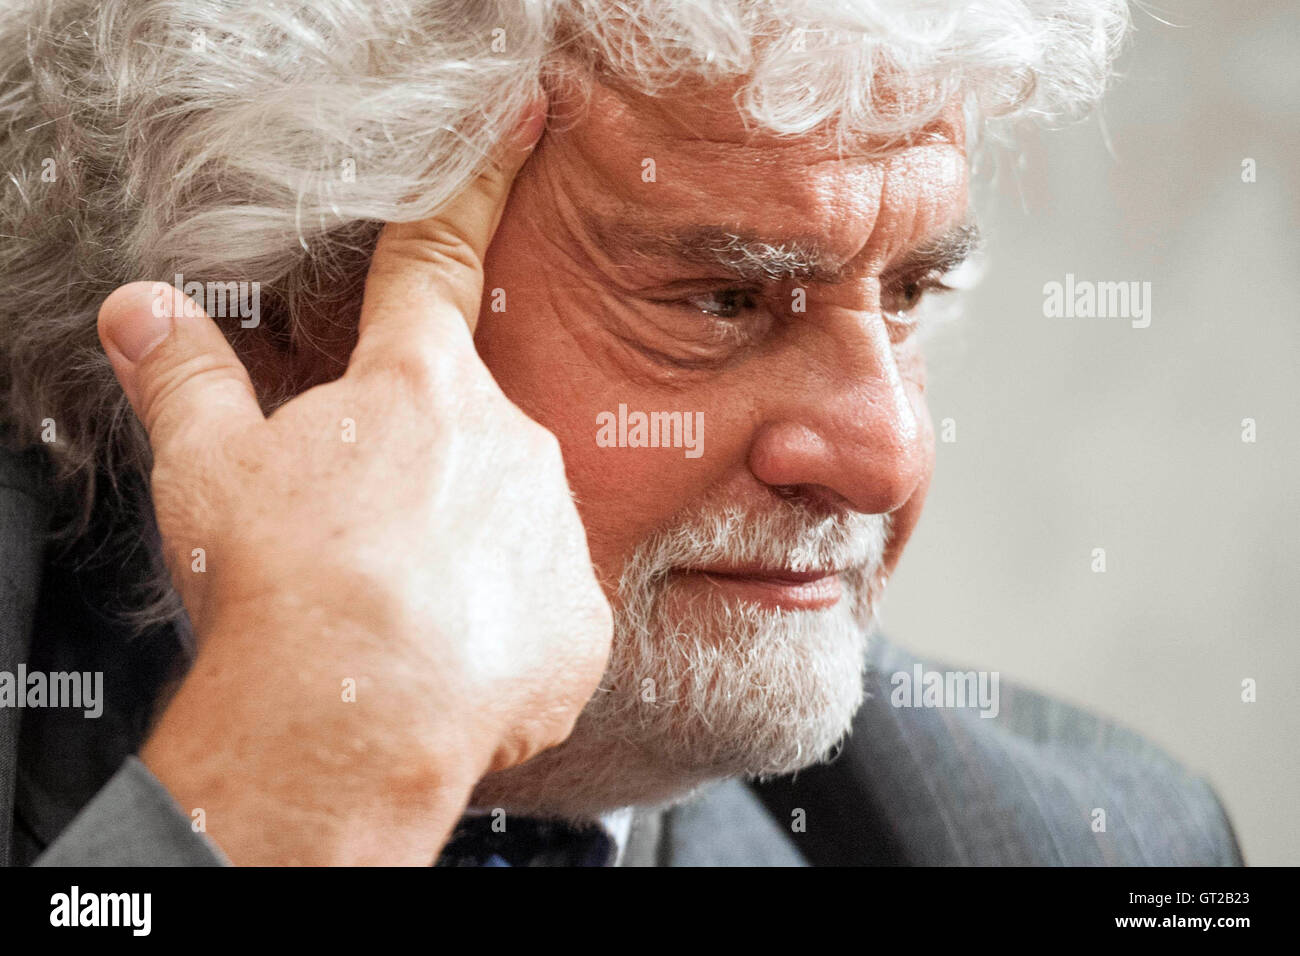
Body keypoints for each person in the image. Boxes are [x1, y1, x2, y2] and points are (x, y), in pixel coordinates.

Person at [0, 0, 1241, 866]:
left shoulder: (1088, 842)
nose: (889, 457)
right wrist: (308, 777)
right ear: (278, 310)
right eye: (721, 301)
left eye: (908, 294)